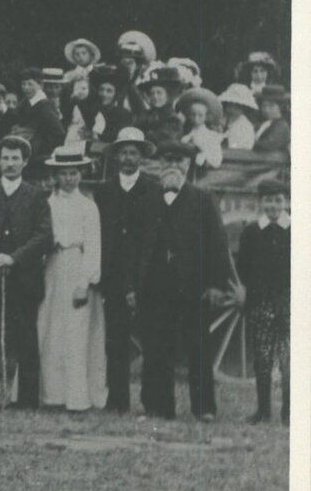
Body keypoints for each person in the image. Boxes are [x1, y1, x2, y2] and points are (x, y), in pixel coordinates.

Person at [134, 142, 232, 421]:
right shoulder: (148, 200)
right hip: (156, 286)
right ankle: (157, 407)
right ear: (160, 164)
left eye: (180, 161)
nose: (173, 166)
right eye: (168, 160)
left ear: (189, 165)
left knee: (198, 347)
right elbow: (136, 247)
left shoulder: (203, 200)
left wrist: (215, 285)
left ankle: (204, 408)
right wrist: (135, 284)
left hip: (194, 286)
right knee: (156, 348)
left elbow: (218, 245)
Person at [0, 134, 53, 410]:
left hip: (23, 277)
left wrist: (13, 258)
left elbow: (44, 235)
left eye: (15, 158)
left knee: (26, 337)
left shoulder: (36, 195)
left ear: (25, 162)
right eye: (5, 158)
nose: (10, 163)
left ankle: (27, 399)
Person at [93, 126, 160, 414]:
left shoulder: (153, 188)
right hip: (114, 272)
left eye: (134, 152)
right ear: (117, 156)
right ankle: (117, 400)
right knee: (116, 339)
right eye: (124, 152)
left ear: (141, 157)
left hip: (145, 273)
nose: (129, 157)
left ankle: (150, 399)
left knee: (149, 336)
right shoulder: (105, 190)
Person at [36, 146, 106, 413]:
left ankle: (77, 397)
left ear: (81, 174)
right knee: (50, 329)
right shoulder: (47, 204)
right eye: (63, 173)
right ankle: (52, 394)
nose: (69, 178)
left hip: (77, 267)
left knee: (76, 332)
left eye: (73, 173)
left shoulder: (88, 206)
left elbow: (94, 246)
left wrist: (85, 282)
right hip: (52, 268)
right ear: (55, 175)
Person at [239, 176, 289, 424]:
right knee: (263, 357)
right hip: (261, 302)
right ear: (261, 203)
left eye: (278, 200)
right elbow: (243, 268)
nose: (273, 206)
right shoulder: (251, 232)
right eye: (268, 201)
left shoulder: (296, 229)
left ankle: (289, 412)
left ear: (286, 202)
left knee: (289, 358)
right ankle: (263, 410)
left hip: (290, 302)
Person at [218, 84, 260, 151]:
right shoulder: (227, 122)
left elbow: (234, 151)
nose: (231, 110)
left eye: (236, 107)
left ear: (243, 108)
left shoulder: (244, 126)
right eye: (230, 105)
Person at [253, 87, 290, 155]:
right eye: (264, 106)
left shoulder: (282, 126)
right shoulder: (263, 124)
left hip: (273, 163)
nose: (266, 110)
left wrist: (248, 142)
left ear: (280, 107)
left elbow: (269, 145)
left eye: (271, 106)